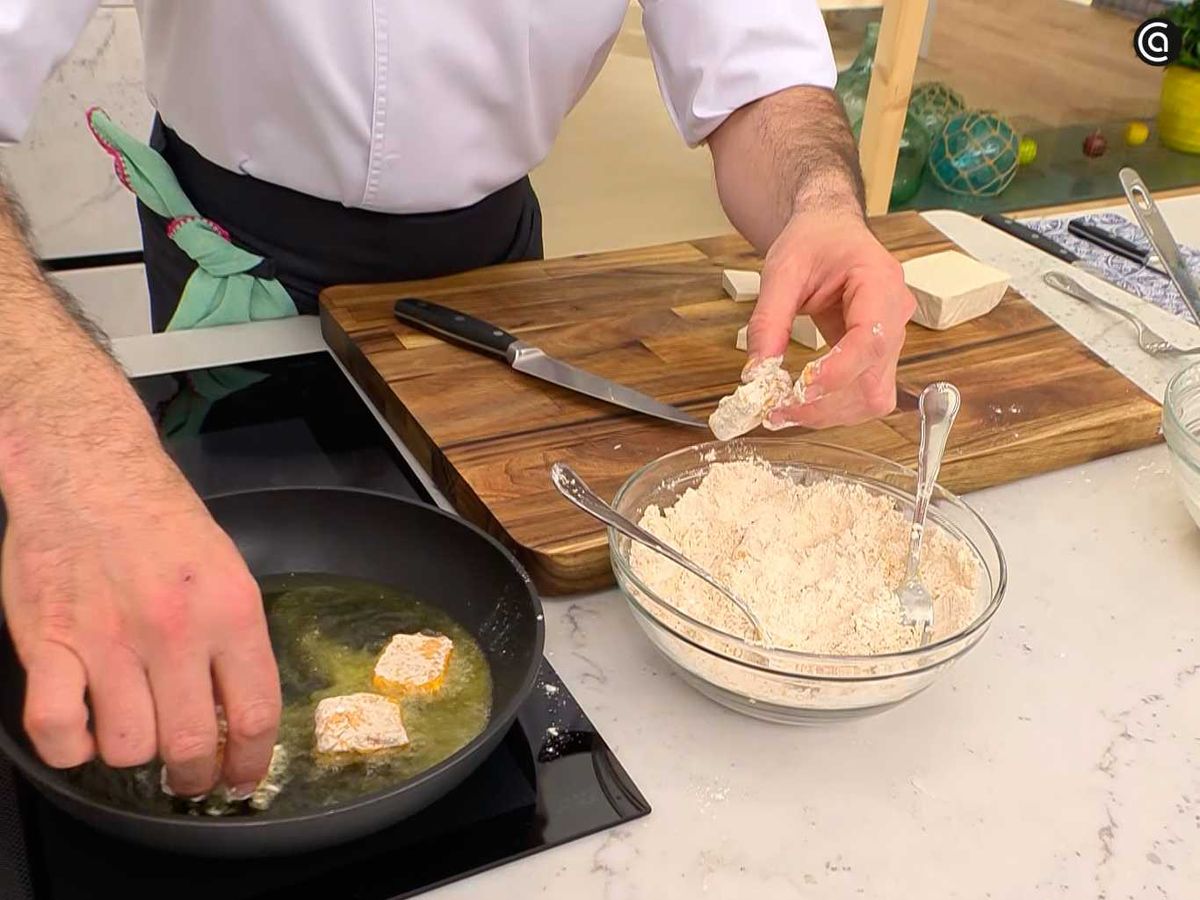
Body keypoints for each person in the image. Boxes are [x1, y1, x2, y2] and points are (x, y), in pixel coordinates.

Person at [0, 3, 915, 799]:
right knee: (240, 584)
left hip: (491, 285)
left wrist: (820, 202)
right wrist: (69, 442)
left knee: (485, 602)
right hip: (231, 254)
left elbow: (758, 77)